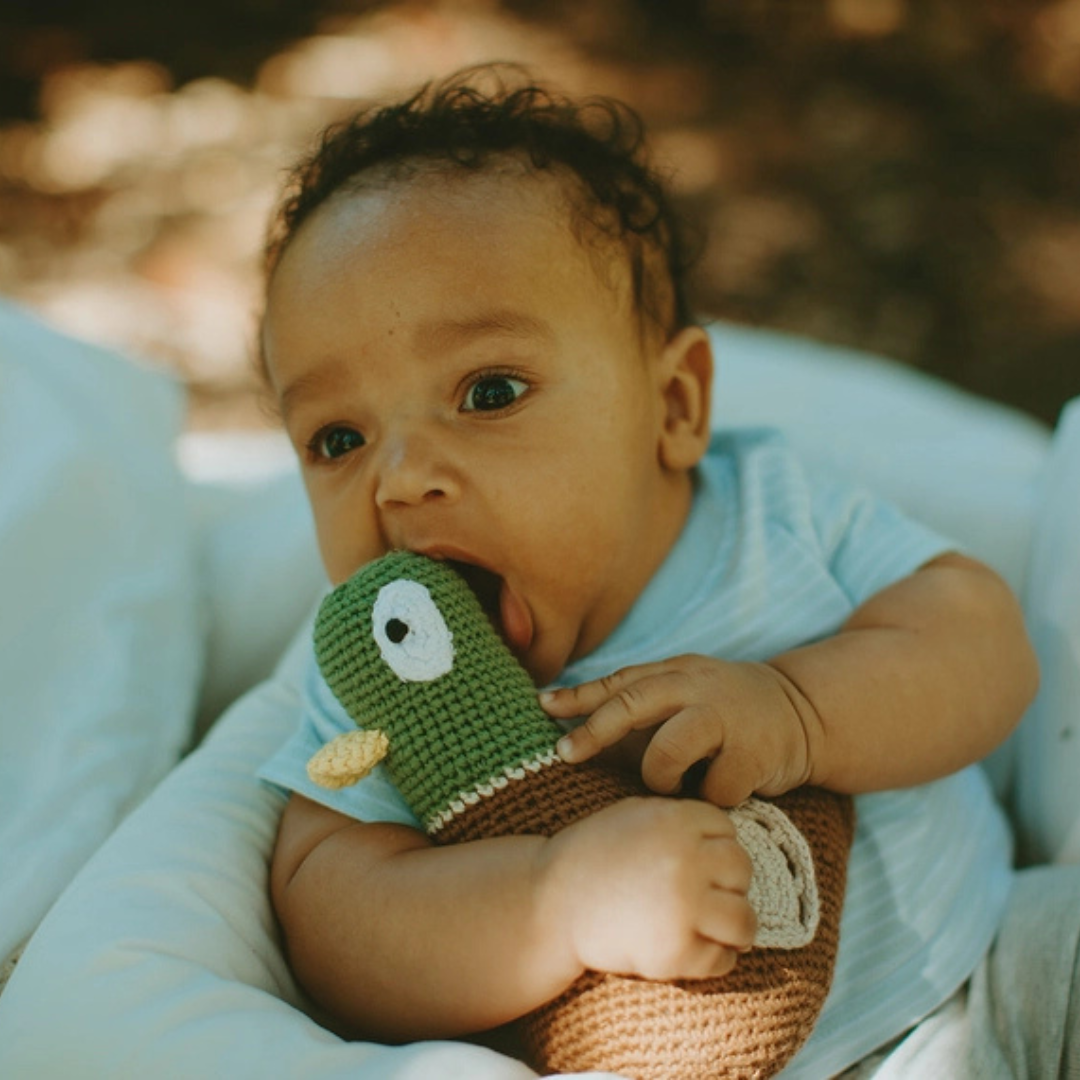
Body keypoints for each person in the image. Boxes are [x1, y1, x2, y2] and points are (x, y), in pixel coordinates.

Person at [257, 66, 1040, 1075]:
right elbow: (335, 918)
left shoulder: (771, 511)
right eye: (337, 439)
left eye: (488, 391)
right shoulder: (380, 673)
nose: (401, 479)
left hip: (988, 975)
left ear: (673, 409)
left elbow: (979, 637)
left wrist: (801, 712)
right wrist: (554, 901)